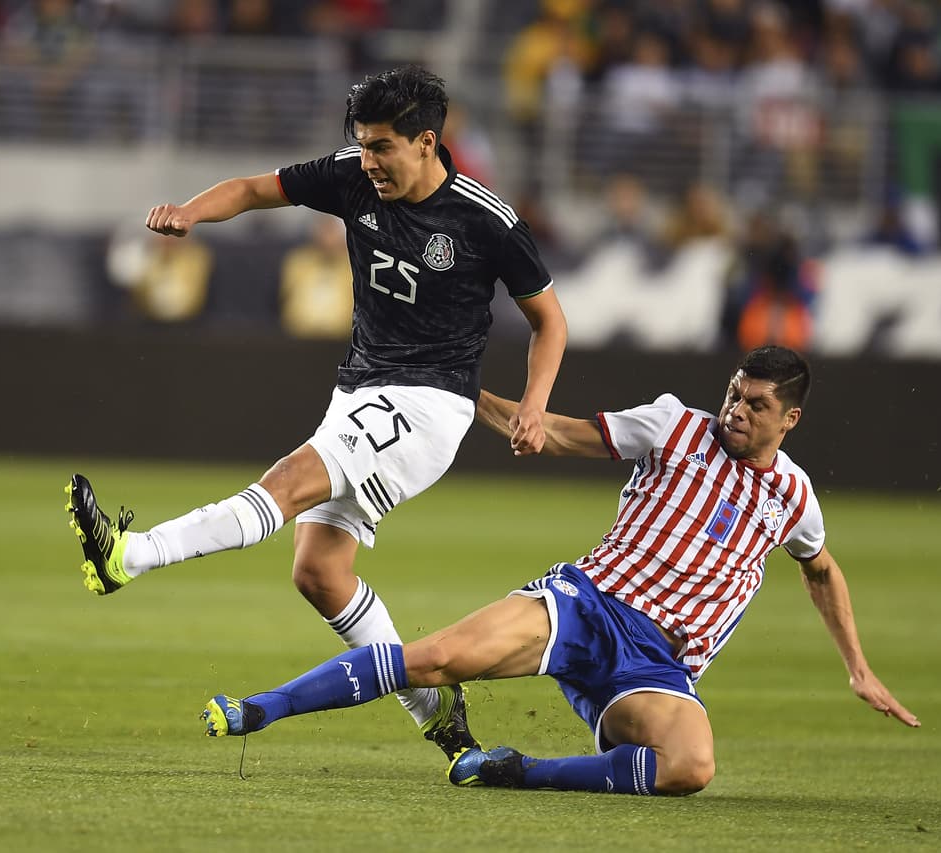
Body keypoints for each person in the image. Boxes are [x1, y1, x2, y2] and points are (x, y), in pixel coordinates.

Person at [65, 65, 566, 762]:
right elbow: (249, 189)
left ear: (427, 142)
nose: (369, 161)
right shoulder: (351, 176)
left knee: (289, 480)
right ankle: (442, 720)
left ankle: (129, 555)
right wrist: (189, 212)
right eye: (362, 144)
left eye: (383, 146)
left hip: (430, 403)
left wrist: (534, 407)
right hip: (360, 389)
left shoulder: (487, 220)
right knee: (319, 573)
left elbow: (550, 321)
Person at [200, 346, 919, 796]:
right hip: (585, 604)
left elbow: (821, 570)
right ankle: (259, 708)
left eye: (756, 405)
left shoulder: (795, 497)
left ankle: (516, 770)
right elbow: (563, 433)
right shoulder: (674, 425)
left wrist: (857, 666)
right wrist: (464, 393)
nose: (736, 409)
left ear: (789, 419)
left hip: (657, 667)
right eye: (734, 392)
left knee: (689, 766)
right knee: (439, 657)